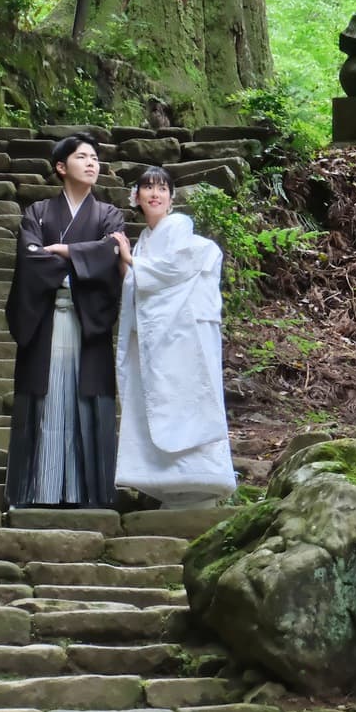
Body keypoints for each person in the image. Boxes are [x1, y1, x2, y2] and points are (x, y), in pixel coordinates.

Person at [5, 133, 125, 509]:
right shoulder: (37, 213)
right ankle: (36, 490)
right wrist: (79, 259)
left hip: (86, 320)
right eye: (82, 157)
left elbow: (110, 252)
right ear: (61, 167)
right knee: (46, 399)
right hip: (45, 319)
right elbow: (30, 260)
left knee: (85, 398)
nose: (92, 163)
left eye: (95, 158)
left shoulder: (109, 214)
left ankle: (90, 491)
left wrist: (64, 250)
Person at [112, 167, 236, 509]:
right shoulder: (146, 239)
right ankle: (168, 483)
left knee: (188, 393)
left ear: (171, 197)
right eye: (147, 188)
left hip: (183, 332)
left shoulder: (178, 228)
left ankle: (200, 483)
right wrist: (131, 264)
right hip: (161, 333)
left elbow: (172, 270)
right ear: (135, 197)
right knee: (162, 395)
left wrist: (130, 261)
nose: (155, 194)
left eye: (162, 188)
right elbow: (139, 283)